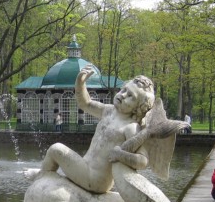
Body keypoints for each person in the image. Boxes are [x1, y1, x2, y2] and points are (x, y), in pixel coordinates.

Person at [27, 67, 156, 194]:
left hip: (97, 180)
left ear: (138, 107)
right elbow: (85, 103)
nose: (122, 95)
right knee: (56, 152)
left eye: (130, 96)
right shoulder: (109, 111)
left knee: (56, 149)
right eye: (123, 90)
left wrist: (120, 155)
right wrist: (80, 83)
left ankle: (41, 177)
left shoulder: (131, 127)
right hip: (85, 167)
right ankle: (44, 175)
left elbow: (143, 161)